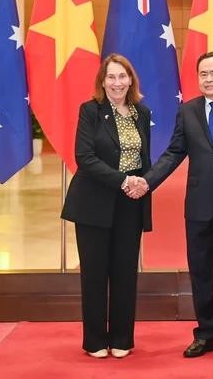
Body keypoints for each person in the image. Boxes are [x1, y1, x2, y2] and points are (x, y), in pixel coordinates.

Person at [128, 51, 213, 359]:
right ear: (198, 78)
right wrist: (148, 181)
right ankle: (204, 333)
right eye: (203, 74)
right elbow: (173, 153)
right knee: (200, 272)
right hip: (199, 206)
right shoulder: (188, 111)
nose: (209, 79)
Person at [61, 54, 152, 359]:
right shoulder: (90, 111)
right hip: (93, 202)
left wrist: (142, 182)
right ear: (102, 81)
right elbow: (84, 158)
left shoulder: (142, 112)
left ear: (131, 80)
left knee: (126, 273)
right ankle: (96, 340)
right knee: (95, 273)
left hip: (130, 204)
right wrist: (123, 181)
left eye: (122, 77)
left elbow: (144, 158)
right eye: (110, 77)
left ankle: (123, 339)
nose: (117, 83)